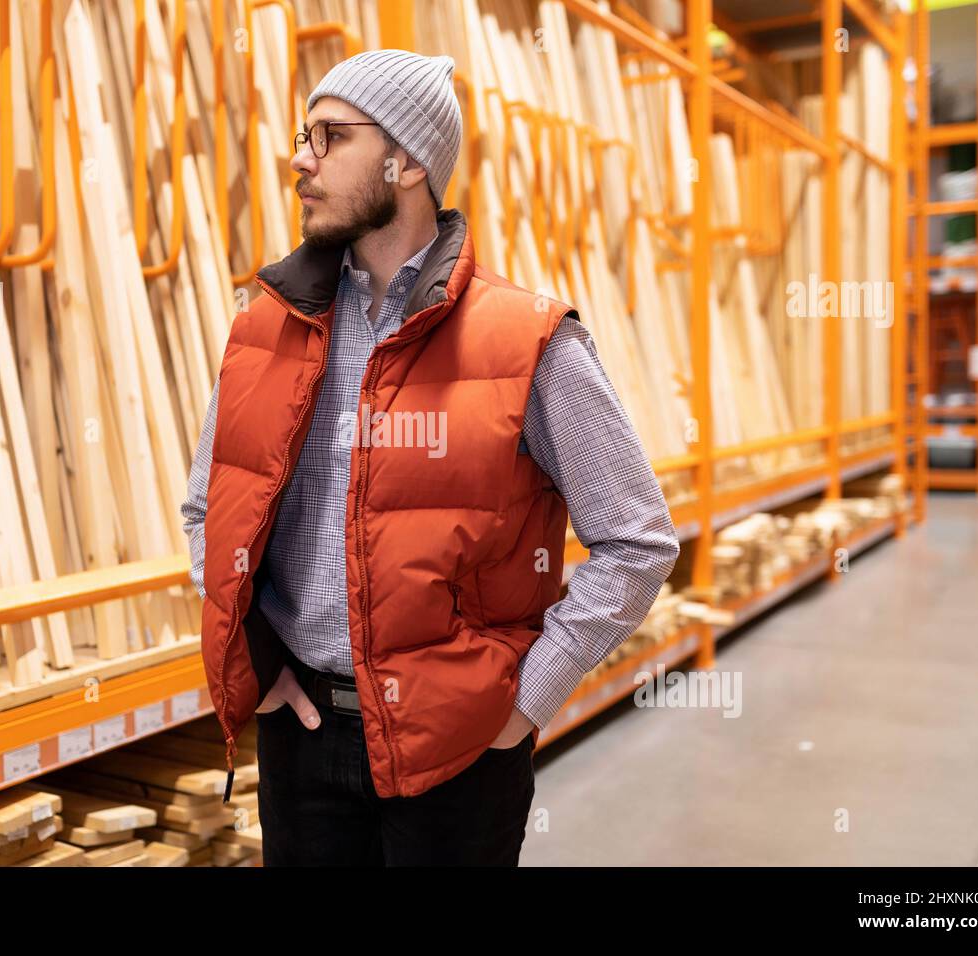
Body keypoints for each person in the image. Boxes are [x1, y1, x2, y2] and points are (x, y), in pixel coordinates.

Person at [180, 48, 679, 866]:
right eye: (304, 135)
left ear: (406, 160)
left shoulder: (528, 340)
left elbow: (637, 541)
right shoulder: (266, 329)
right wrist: (261, 668)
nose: (299, 159)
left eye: (330, 137)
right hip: (300, 740)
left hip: (457, 757)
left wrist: (522, 704)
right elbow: (207, 509)